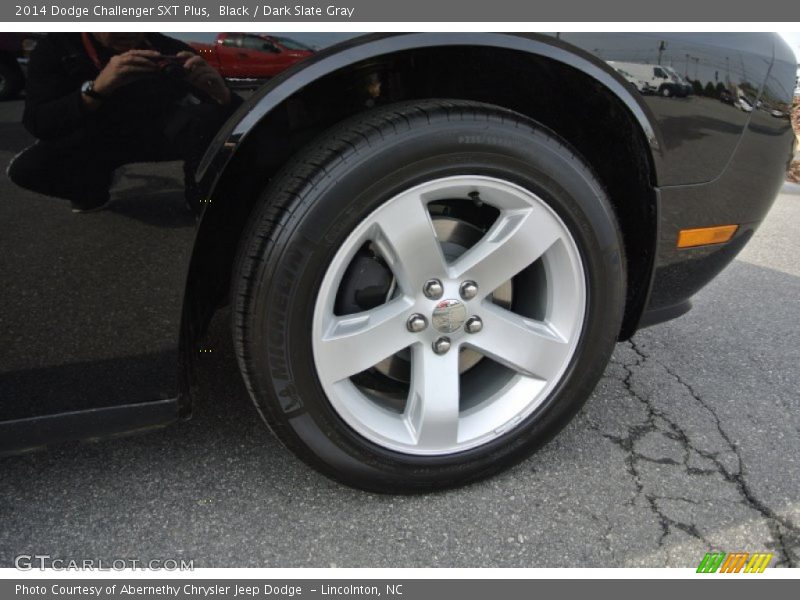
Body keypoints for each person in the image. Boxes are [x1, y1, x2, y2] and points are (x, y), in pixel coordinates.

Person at [7, 32, 240, 213]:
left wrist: (223, 95)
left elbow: (241, 120)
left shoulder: (169, 49)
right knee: (27, 169)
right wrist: (96, 90)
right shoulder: (57, 48)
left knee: (209, 117)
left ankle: (201, 198)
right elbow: (38, 122)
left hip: (157, 133)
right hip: (93, 139)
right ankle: (92, 188)